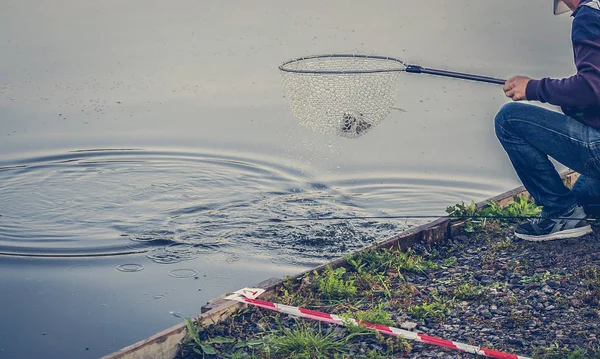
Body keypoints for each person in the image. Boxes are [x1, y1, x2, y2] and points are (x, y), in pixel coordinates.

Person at [495, 0, 600, 241]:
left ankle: (560, 212)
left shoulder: (589, 15)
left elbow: (592, 87)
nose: (572, 12)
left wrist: (533, 88)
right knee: (585, 198)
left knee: (508, 119)